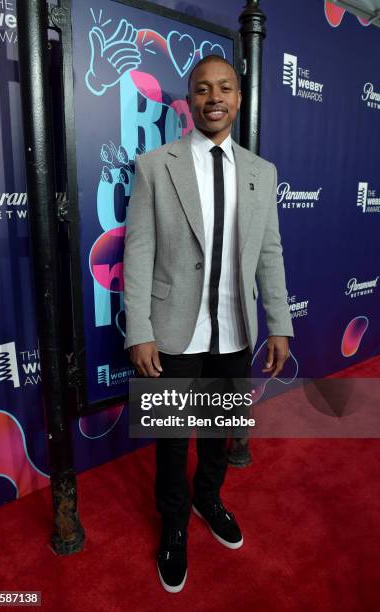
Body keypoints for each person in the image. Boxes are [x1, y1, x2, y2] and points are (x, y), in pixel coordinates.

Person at [123, 55, 294, 593]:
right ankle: (173, 527)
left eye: (224, 88)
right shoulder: (156, 165)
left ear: (238, 99)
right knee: (172, 439)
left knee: (220, 432)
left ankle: (207, 497)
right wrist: (140, 329)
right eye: (202, 89)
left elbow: (270, 252)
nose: (213, 97)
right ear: (190, 101)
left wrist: (280, 323)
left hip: (234, 330)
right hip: (173, 328)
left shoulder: (262, 174)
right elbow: (138, 251)